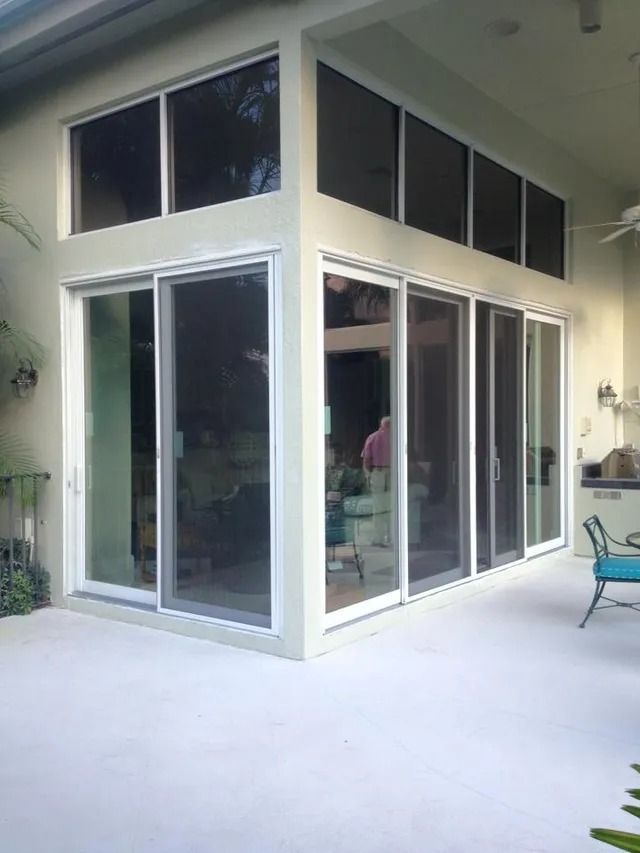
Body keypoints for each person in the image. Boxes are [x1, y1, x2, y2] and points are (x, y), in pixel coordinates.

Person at [361, 416, 392, 546]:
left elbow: (367, 459)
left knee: (378, 507)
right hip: (393, 472)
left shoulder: (372, 437)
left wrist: (368, 474)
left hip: (378, 472)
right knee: (392, 505)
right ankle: (391, 537)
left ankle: (379, 538)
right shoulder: (397, 436)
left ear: (381, 425)